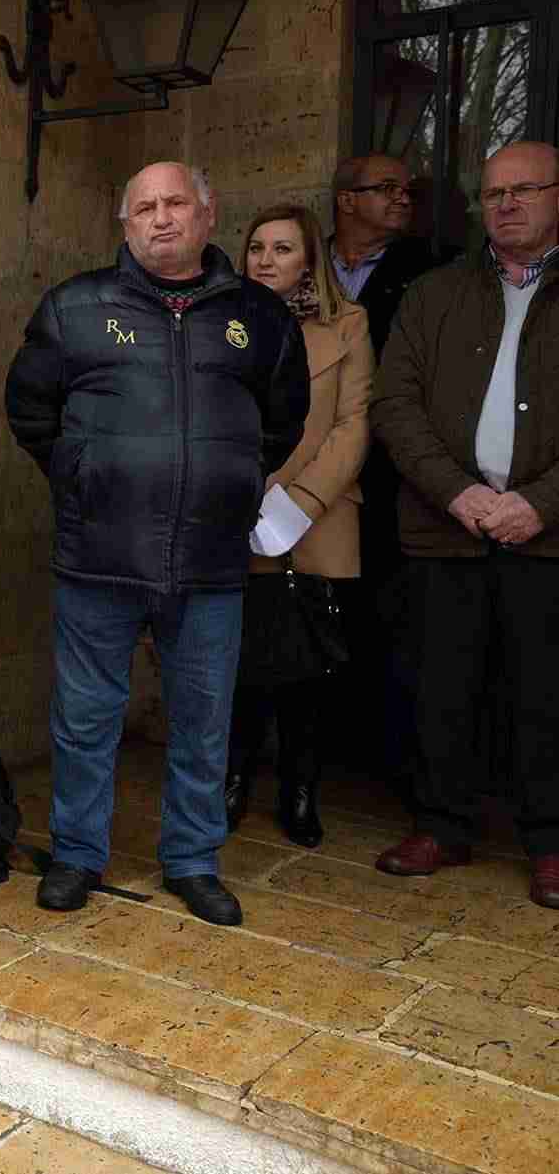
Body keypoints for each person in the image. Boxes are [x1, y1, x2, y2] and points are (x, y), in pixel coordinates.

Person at [5, 162, 308, 927]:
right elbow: (30, 409)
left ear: (208, 216)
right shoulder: (75, 307)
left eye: (177, 203)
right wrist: (86, 473)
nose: (161, 218)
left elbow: (282, 420)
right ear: (124, 222)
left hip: (210, 556)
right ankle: (76, 853)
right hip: (100, 552)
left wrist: (229, 476)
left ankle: (195, 859)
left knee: (204, 717)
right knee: (85, 714)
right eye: (144, 207)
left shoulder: (260, 317)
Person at [370, 141, 559, 906]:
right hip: (447, 527)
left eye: (524, 190)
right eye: (492, 193)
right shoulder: (433, 292)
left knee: (545, 693)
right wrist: (458, 492)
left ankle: (549, 841)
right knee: (440, 685)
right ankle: (442, 825)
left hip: (547, 536)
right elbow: (394, 405)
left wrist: (540, 503)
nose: (506, 204)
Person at [228, 207, 372, 847]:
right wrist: (245, 490)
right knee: (240, 660)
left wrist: (301, 500)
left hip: (319, 514)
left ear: (310, 259)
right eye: (256, 247)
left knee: (310, 667)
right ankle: (230, 783)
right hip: (238, 509)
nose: (264, 259)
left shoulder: (349, 325)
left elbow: (354, 424)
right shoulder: (224, 321)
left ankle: (301, 790)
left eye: (282, 248)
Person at [327, 152, 449, 790]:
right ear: (347, 200)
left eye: (409, 190)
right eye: (387, 188)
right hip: (302, 478)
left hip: (389, 477)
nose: (404, 199)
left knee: (386, 619)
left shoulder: (428, 273)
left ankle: (381, 765)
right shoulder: (298, 261)